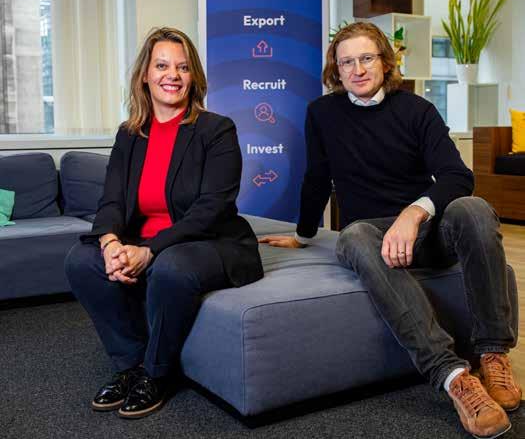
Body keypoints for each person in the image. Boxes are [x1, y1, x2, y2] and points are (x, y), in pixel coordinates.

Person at [260, 21, 521, 438]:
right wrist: (304, 235)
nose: (358, 69)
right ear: (336, 69)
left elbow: (457, 175)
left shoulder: (417, 110)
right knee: (353, 235)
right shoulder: (321, 114)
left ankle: (493, 355)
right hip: (372, 237)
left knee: (472, 209)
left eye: (366, 58)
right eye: (347, 62)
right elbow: (317, 178)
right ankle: (455, 377)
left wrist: (414, 214)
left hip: (425, 231)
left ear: (384, 61)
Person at [65, 27, 263, 419]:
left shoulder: (216, 129)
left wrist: (149, 249)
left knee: (171, 266)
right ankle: (131, 364)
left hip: (210, 243)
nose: (172, 75)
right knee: (81, 260)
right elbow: (112, 201)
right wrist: (110, 243)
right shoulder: (129, 134)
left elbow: (212, 208)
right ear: (145, 75)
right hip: (145, 241)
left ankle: (157, 373)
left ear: (194, 77)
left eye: (183, 67)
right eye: (162, 66)